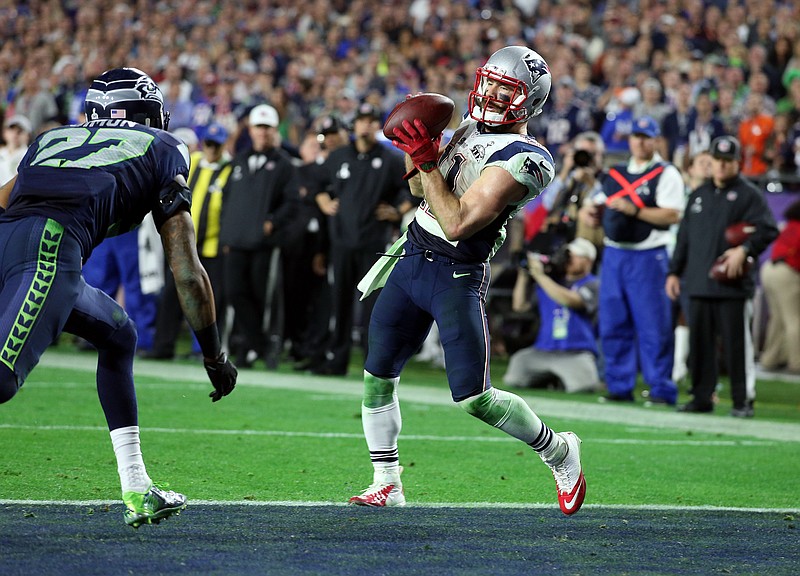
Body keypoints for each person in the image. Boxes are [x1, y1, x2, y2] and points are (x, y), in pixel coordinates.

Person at [350, 46, 586, 515]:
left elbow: (458, 222)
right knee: (377, 375)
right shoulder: (469, 127)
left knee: (474, 398)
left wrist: (427, 159)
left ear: (529, 102)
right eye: (491, 82)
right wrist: (419, 151)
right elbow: (420, 189)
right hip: (413, 255)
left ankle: (558, 449)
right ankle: (387, 481)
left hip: (455, 271)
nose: (492, 94)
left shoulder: (528, 158)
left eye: (507, 89)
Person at [0, 68, 237, 527]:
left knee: (119, 335)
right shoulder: (164, 147)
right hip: (50, 251)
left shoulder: (53, 137)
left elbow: (4, 200)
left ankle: (137, 485)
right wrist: (213, 355)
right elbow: (187, 272)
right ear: (150, 113)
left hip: (19, 244)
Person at [666, 135, 779, 417]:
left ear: (737, 163)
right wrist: (674, 272)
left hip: (732, 285)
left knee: (737, 346)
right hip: (698, 282)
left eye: (728, 161)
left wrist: (745, 248)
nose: (722, 166)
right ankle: (702, 397)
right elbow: (684, 238)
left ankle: (743, 400)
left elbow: (768, 229)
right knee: (700, 345)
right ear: (712, 161)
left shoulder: (749, 194)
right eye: (718, 160)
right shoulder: (699, 195)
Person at [579, 116, 684, 405]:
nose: (639, 142)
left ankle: (661, 388)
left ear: (655, 140)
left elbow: (672, 214)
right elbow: (596, 202)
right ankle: (619, 385)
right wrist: (590, 212)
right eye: (635, 136)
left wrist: (634, 211)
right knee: (614, 323)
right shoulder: (617, 173)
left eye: (645, 137)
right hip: (615, 254)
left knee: (654, 324)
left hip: (649, 255)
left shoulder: (666, 173)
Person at [312, 102, 413, 376]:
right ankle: (337, 360)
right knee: (340, 302)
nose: (365, 126)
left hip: (373, 243)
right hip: (342, 242)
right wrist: (323, 201)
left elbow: (412, 190)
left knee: (372, 307)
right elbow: (315, 181)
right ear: (353, 126)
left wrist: (396, 211)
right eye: (361, 120)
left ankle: (373, 363)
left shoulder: (391, 159)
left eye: (371, 121)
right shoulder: (338, 156)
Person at [218, 104, 298, 369]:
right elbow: (227, 199)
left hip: (264, 244)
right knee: (234, 293)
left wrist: (273, 222)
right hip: (237, 240)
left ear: (275, 131)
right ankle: (258, 345)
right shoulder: (238, 161)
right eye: (258, 127)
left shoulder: (285, 165)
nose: (262, 133)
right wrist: (226, 234)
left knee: (262, 297)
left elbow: (292, 202)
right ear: (250, 130)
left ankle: (255, 348)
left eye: (267, 128)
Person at [146, 122, 233, 359]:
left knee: (208, 298)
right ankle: (162, 347)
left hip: (214, 247)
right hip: (184, 244)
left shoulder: (231, 169)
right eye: (209, 144)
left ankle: (203, 351)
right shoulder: (190, 162)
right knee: (171, 297)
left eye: (217, 145)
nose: (212, 149)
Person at [503, 238, 601, 393]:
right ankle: (551, 379)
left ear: (588, 260)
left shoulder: (593, 284)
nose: (569, 259)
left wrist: (540, 276)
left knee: (583, 386)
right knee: (516, 371)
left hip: (575, 352)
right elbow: (519, 306)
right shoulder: (551, 282)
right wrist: (524, 276)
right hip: (543, 350)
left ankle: (556, 379)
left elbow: (570, 300)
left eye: (575, 256)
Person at [759, 199, 800, 374]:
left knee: (777, 318)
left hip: (769, 269)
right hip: (786, 273)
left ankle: (770, 359)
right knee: (794, 319)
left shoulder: (791, 224)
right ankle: (797, 363)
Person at [0, 115, 32, 185]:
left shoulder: (30, 156)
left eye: (20, 131)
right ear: (4, 133)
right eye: (12, 129)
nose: (15, 134)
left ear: (28, 135)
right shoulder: (1, 153)